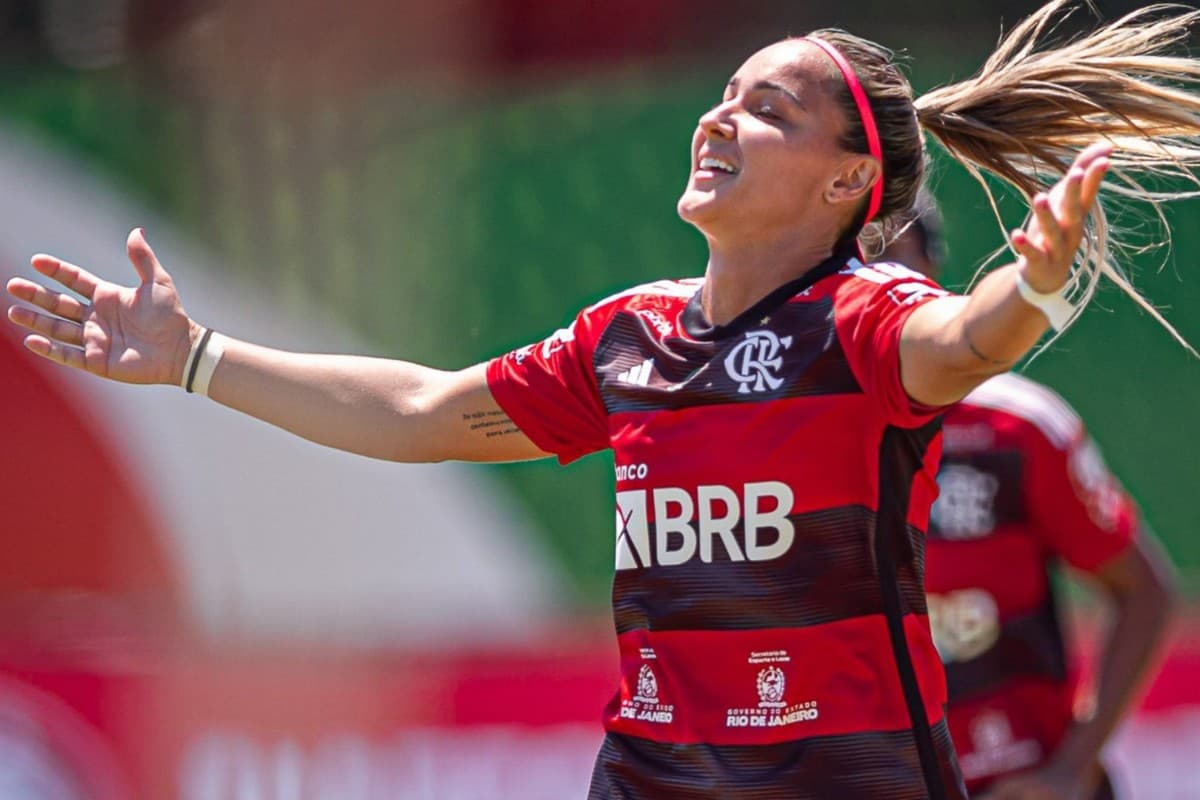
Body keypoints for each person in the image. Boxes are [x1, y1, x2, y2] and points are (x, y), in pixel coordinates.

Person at [8, 1, 1200, 797]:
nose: (721, 116)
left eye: (768, 108)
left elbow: (963, 337)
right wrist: (195, 357)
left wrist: (1032, 291)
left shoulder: (862, 317)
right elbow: (424, 410)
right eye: (726, 92)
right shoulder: (632, 335)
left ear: (849, 179)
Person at [881, 196, 1177, 799]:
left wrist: (1070, 768)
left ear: (933, 274)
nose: (872, 281)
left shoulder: (1017, 427)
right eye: (851, 262)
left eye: (892, 254)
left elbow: (1143, 591)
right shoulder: (787, 440)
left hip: (1013, 778)